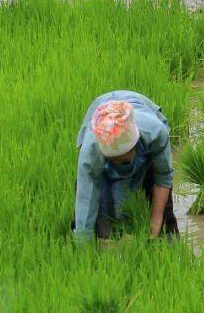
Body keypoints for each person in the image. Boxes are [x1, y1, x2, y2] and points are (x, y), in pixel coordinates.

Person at [74, 91, 178, 241]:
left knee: (161, 214)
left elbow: (163, 178)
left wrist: (155, 226)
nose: (118, 162)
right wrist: (83, 248)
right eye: (112, 159)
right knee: (97, 205)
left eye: (122, 158)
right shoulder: (91, 149)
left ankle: (169, 242)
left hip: (141, 113)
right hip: (100, 112)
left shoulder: (155, 132)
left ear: (134, 146)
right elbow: (85, 196)